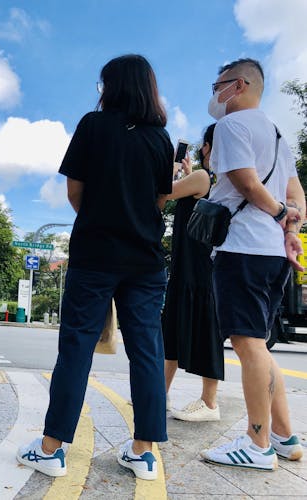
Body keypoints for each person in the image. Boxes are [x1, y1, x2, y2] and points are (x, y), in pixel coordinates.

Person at [17, 54, 174, 481]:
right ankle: (143, 452)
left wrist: (103, 217)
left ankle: (50, 449)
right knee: (147, 350)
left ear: (113, 86)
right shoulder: (161, 140)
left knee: (77, 348)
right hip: (145, 260)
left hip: (95, 254)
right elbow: (160, 201)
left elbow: (74, 192)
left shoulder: (93, 125)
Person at [200, 58, 304, 470]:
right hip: (273, 255)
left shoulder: (230, 126)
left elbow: (245, 181)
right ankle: (284, 436)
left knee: (246, 344)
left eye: (217, 84)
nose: (214, 93)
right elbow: (298, 195)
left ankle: (256, 443)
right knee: (257, 344)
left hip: (243, 249)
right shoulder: (278, 135)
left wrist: (280, 215)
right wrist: (291, 228)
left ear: (238, 85)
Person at [161, 123, 224, 422]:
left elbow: (162, 192)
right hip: (187, 268)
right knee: (171, 331)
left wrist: (172, 168)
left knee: (204, 332)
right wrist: (184, 174)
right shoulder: (205, 180)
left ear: (206, 148)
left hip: (197, 270)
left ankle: (210, 403)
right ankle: (160, 393)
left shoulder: (202, 177)